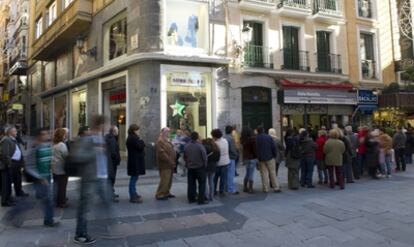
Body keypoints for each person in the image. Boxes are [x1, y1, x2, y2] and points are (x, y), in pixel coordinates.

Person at [74, 115, 117, 245]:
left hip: (102, 178)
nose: (108, 126)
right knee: (85, 207)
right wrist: (94, 151)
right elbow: (77, 156)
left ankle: (103, 228)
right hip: (89, 179)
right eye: (107, 124)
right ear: (100, 125)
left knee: (107, 201)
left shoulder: (101, 138)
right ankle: (80, 234)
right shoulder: (87, 139)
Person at [8, 128, 60, 227]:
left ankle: (49, 220)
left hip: (46, 177)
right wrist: (39, 177)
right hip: (38, 179)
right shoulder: (36, 148)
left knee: (48, 200)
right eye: (45, 134)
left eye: (47, 134)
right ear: (39, 136)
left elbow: (49, 161)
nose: (47, 135)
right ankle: (12, 215)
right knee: (31, 201)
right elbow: (29, 165)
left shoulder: (47, 146)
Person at [0, 126, 28, 207]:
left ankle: (18, 192)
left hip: (17, 163)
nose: (16, 132)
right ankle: (6, 200)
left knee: (17, 178)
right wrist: (9, 163)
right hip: (9, 164)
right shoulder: (5, 140)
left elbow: (17, 150)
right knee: (7, 183)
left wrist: (21, 161)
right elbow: (4, 154)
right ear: (10, 132)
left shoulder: (13, 139)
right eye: (15, 131)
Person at [184, 132, 207, 204]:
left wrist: (187, 163)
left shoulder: (187, 146)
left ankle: (191, 198)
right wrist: (205, 165)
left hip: (190, 167)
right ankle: (201, 199)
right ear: (197, 137)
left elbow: (185, 156)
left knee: (191, 183)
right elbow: (204, 157)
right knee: (202, 183)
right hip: (199, 167)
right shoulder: (200, 146)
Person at [256, 126, 281, 193]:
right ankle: (276, 187)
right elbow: (273, 147)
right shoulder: (269, 137)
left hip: (261, 158)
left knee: (264, 174)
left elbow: (256, 149)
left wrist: (257, 157)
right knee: (273, 172)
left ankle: (265, 188)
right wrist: (274, 155)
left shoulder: (256, 138)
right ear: (263, 130)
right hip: (270, 157)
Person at [126, 124, 146, 203]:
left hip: (134, 161)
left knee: (134, 178)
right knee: (133, 179)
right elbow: (140, 146)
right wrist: (141, 140)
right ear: (134, 130)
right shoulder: (133, 138)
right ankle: (133, 195)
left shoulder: (131, 137)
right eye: (138, 130)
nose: (139, 131)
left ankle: (134, 194)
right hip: (135, 162)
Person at [155, 127, 176, 200]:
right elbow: (161, 153)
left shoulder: (166, 140)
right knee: (165, 179)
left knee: (169, 180)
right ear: (162, 132)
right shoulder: (160, 141)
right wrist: (169, 160)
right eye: (167, 131)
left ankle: (166, 192)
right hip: (165, 164)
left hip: (170, 164)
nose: (169, 133)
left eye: (169, 131)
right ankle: (160, 194)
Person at [51, 128, 69, 208]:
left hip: (54, 168)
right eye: (65, 134)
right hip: (61, 168)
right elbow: (66, 156)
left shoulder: (54, 144)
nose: (66, 135)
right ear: (62, 135)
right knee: (62, 186)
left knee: (57, 185)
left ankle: (57, 199)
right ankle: (61, 202)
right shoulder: (62, 145)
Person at [105, 125, 121, 201]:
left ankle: (111, 193)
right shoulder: (112, 139)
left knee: (110, 178)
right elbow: (113, 151)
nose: (118, 132)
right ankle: (110, 195)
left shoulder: (108, 138)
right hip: (112, 162)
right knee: (111, 178)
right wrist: (116, 159)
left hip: (109, 162)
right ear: (114, 131)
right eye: (117, 130)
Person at [212, 129, 229, 196]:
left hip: (218, 163)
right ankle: (222, 191)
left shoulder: (215, 143)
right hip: (226, 161)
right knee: (223, 178)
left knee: (215, 178)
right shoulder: (225, 141)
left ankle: (214, 190)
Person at [240, 127, 257, 193]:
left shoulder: (242, 139)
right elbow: (255, 149)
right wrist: (257, 156)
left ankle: (245, 187)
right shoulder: (252, 139)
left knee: (247, 172)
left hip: (246, 158)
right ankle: (250, 188)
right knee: (251, 173)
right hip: (252, 157)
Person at [224, 126, 239, 195]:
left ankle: (226, 187)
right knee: (231, 174)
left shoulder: (224, 137)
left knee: (226, 174)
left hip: (225, 158)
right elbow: (233, 149)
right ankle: (231, 189)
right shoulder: (231, 138)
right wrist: (236, 154)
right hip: (230, 158)